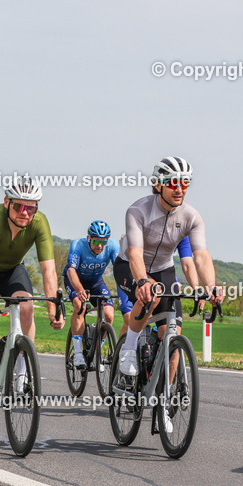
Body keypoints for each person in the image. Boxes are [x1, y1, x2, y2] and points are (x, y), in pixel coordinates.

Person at [0, 175, 65, 418]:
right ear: (7, 203)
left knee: (26, 307)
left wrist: (53, 309)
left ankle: (21, 370)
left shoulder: (40, 222)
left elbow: (48, 269)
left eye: (31, 207)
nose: (25, 212)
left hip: (12, 270)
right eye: (19, 205)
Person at [112, 156, 223, 381]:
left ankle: (164, 400)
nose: (179, 189)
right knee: (150, 296)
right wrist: (142, 281)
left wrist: (210, 287)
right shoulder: (138, 210)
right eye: (173, 183)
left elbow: (200, 255)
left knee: (173, 343)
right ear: (159, 184)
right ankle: (129, 348)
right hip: (130, 266)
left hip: (164, 269)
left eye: (185, 183)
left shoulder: (192, 216)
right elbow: (134, 253)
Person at [65, 221, 119, 370]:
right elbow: (71, 271)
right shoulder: (78, 245)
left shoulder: (113, 246)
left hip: (96, 282)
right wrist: (80, 289)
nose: (100, 246)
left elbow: (119, 269)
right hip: (75, 280)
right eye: (96, 241)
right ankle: (77, 353)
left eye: (103, 242)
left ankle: (97, 352)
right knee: (79, 306)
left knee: (108, 314)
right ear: (89, 238)